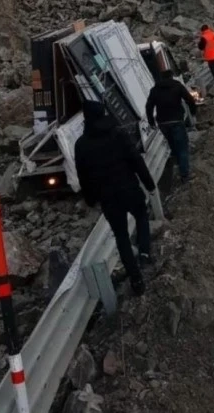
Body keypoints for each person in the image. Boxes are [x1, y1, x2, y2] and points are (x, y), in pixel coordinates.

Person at [75, 100, 156, 295]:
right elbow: (135, 159)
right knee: (142, 216)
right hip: (129, 188)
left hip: (108, 198)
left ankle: (136, 279)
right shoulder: (117, 133)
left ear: (86, 118)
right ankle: (144, 253)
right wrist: (149, 183)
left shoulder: (81, 145)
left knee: (121, 237)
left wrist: (90, 199)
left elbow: (83, 176)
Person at [145, 70, 197, 183]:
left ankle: (179, 167)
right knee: (182, 147)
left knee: (173, 147)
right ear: (172, 76)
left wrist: (151, 121)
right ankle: (185, 174)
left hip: (163, 123)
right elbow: (189, 99)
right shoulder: (177, 86)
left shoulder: (154, 90)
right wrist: (193, 112)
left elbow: (149, 106)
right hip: (176, 120)